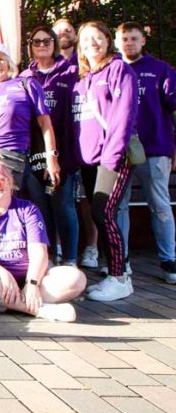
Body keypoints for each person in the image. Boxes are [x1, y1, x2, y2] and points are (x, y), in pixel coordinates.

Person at [0, 161, 86, 322]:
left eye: (1, 180)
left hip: (32, 278)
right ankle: (39, 309)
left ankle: (5, 303)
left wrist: (32, 284)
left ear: (11, 182)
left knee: (77, 278)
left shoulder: (28, 209)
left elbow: (39, 252)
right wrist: (4, 274)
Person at [72, 20, 139, 301]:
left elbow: (123, 115)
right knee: (98, 214)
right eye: (86, 39)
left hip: (113, 158)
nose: (92, 43)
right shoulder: (83, 79)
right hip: (89, 160)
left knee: (103, 212)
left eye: (97, 37)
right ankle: (113, 271)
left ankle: (120, 277)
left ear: (108, 40)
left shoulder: (118, 69)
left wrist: (111, 156)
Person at [113, 22, 176, 283]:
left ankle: (169, 260)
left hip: (155, 150)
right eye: (124, 39)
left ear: (143, 41)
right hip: (119, 153)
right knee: (119, 207)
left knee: (160, 205)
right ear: (116, 43)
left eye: (133, 38)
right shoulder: (111, 70)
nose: (129, 43)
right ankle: (122, 260)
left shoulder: (161, 70)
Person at [19, 26, 80, 265]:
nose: (42, 45)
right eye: (36, 41)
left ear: (54, 43)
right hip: (33, 151)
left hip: (62, 150)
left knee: (63, 205)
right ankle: (50, 257)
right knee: (40, 207)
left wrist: (54, 156)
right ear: (30, 46)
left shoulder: (71, 72)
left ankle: (70, 259)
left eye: (47, 41)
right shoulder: (24, 77)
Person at [0, 44, 61, 192]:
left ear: (9, 63)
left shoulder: (25, 84)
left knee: (10, 206)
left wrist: (51, 158)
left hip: (11, 156)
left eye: (0, 59)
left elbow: (45, 123)